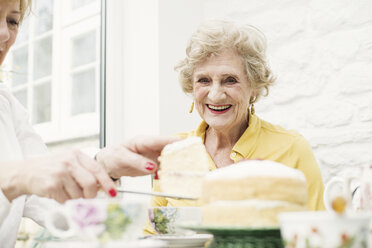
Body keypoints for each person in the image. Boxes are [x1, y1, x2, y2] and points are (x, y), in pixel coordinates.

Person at [0, 0, 178, 246]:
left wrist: (102, 167)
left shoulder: (7, 107)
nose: (4, 33)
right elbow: (25, 176)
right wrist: (14, 177)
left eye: (12, 21)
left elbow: (57, 208)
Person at [144, 20, 325, 234]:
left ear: (254, 88)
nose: (215, 94)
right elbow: (152, 235)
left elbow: (318, 235)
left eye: (230, 80)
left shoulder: (291, 148)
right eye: (204, 80)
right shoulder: (174, 152)